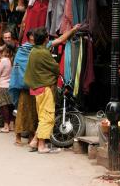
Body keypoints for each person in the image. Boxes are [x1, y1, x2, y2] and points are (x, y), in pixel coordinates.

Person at [25, 25, 80, 153]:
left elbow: (60, 40)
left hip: (36, 89)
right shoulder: (44, 53)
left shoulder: (35, 50)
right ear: (45, 39)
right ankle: (41, 146)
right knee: (47, 117)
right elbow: (55, 68)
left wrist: (73, 30)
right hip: (44, 88)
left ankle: (34, 142)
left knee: (42, 116)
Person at [10, 29, 38, 145]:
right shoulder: (22, 50)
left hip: (35, 86)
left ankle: (31, 136)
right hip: (23, 87)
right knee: (21, 112)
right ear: (29, 37)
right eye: (32, 36)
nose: (33, 38)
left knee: (33, 113)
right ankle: (18, 136)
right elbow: (18, 66)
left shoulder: (39, 49)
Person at [0, 43, 16, 133]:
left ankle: (6, 126)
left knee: (4, 107)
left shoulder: (4, 60)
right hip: (12, 85)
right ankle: (12, 124)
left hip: (3, 86)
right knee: (11, 106)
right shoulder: (14, 60)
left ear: (6, 51)